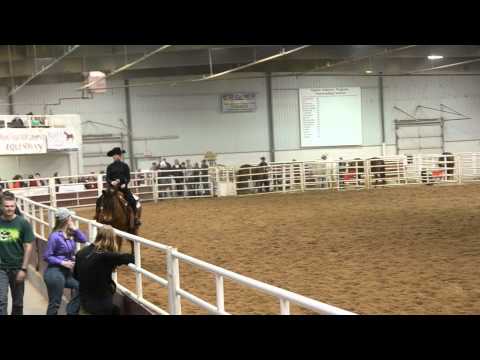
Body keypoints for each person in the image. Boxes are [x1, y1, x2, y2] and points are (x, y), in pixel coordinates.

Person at [73, 226, 134, 315]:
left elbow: (76, 276)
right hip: (101, 305)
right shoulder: (107, 256)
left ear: (98, 236)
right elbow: (130, 258)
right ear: (112, 239)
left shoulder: (80, 252)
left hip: (84, 303)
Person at [43, 208, 87, 315]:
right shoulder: (55, 236)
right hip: (55, 273)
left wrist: (75, 229)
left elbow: (83, 239)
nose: (72, 219)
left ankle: (71, 311)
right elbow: (46, 256)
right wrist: (62, 262)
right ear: (67, 219)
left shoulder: (69, 233)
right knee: (55, 303)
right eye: (70, 217)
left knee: (80, 287)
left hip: (65, 273)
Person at [0, 192, 34, 315]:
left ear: (15, 207)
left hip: (17, 267)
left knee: (18, 302)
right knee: (1, 301)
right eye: (6, 206)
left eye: (12, 206)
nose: (9, 209)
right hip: (1, 269)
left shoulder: (23, 223)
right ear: (2, 207)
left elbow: (28, 246)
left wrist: (23, 269)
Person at [105, 147, 140, 226]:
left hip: (123, 187)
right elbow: (107, 178)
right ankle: (100, 216)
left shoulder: (125, 166)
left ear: (119, 156)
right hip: (112, 188)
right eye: (113, 155)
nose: (114, 156)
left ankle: (135, 218)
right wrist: (111, 182)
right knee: (103, 199)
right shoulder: (110, 167)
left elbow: (128, 177)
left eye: (115, 155)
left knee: (132, 200)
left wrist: (125, 183)